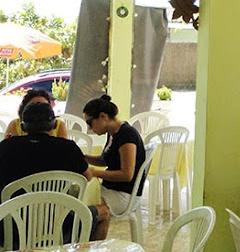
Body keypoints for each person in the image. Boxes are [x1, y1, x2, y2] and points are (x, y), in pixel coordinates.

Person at [0, 102, 109, 241]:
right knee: (104, 213)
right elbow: (87, 177)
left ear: (22, 126)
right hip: (59, 225)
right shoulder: (68, 148)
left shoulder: (5, 147)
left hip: (10, 229)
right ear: (53, 125)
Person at [83, 95, 146, 217]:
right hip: (112, 189)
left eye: (90, 123)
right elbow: (104, 160)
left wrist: (94, 172)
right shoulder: (113, 133)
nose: (90, 128)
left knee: (79, 206)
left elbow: (126, 174)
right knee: (77, 196)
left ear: (103, 117)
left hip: (123, 195)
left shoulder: (127, 135)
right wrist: (82, 157)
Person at [4, 89, 68, 139]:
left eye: (44, 106)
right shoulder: (14, 125)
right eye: (33, 107)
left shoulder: (60, 125)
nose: (39, 110)